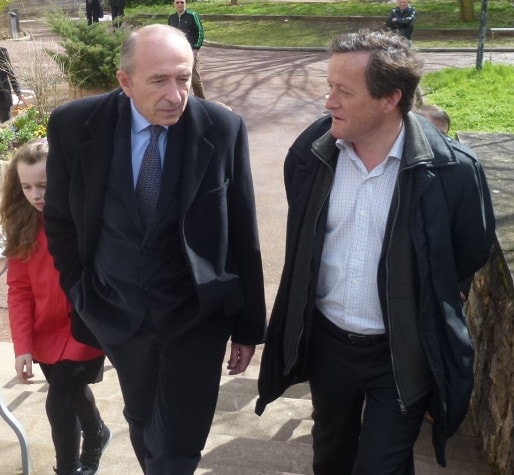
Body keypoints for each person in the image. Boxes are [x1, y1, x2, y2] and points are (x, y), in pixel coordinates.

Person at [256, 31, 495, 474]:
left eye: (343, 91)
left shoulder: (453, 172)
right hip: (329, 347)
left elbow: (468, 251)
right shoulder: (311, 154)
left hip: (402, 353)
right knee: (330, 455)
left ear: (390, 98)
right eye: (328, 88)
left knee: (383, 466)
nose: (329, 102)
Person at [43, 24, 266, 474]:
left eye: (183, 79)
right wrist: (81, 291)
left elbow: (243, 229)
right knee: (143, 421)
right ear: (125, 82)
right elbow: (61, 220)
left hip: (196, 315)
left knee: (180, 442)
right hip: (117, 312)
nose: (175, 94)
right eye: (159, 80)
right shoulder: (74, 125)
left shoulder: (222, 129)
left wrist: (248, 326)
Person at [0, 139, 111, 475]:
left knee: (60, 397)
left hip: (85, 328)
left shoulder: (88, 218)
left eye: (44, 186)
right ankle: (97, 433)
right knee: (72, 392)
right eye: (27, 186)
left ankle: (68, 469)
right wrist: (22, 346)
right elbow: (18, 290)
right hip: (45, 334)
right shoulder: (23, 226)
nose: (36, 195)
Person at [168, 0, 206, 98]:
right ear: (174, 4)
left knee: (195, 80)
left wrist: (196, 48)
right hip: (176, 52)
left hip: (191, 51)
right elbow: (169, 33)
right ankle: (182, 101)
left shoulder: (192, 15)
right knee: (178, 77)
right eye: (177, 2)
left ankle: (202, 102)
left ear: (185, 4)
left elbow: (200, 31)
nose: (179, 4)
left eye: (182, 2)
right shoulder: (172, 17)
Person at [0, 47, 23, 123]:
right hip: (4, 94)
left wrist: (18, 91)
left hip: (3, 94)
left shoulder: (2, 52)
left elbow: (10, 72)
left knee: (5, 123)